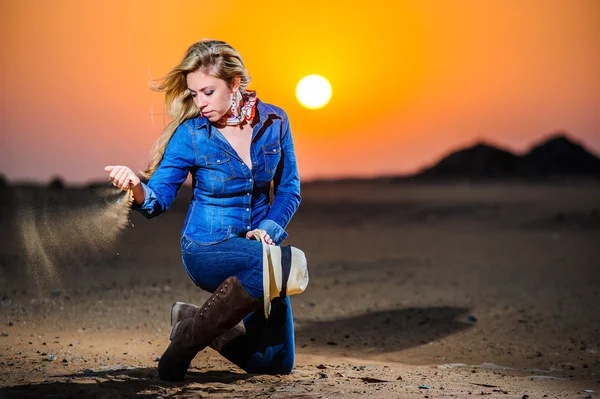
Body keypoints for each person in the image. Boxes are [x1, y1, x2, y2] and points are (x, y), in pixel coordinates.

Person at [104, 39, 301, 381]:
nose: (201, 102)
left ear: (235, 83)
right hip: (207, 248)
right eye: (195, 94)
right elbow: (158, 198)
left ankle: (189, 321)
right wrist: (135, 185)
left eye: (208, 92)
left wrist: (268, 227)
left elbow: (288, 190)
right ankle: (184, 347)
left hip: (258, 252)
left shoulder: (276, 121)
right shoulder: (191, 134)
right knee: (280, 263)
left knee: (274, 364)